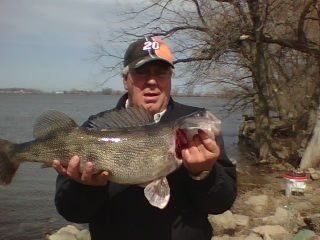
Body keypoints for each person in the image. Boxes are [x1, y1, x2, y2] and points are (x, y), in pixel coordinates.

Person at [53, 36, 237, 240]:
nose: (152, 81)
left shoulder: (194, 126)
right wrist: (85, 188)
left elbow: (221, 204)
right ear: (126, 79)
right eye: (141, 72)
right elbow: (72, 212)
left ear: (170, 78)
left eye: (161, 72)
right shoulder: (94, 130)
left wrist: (203, 174)